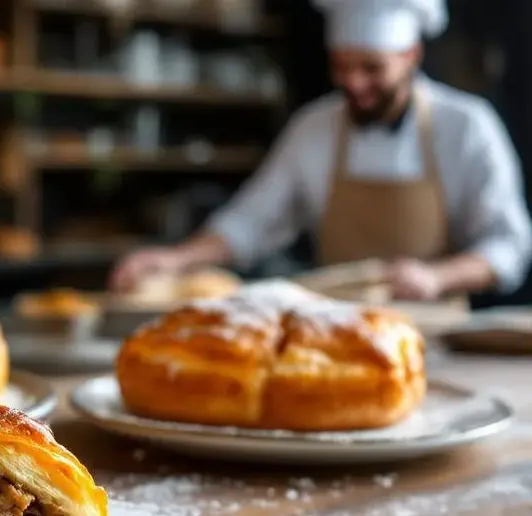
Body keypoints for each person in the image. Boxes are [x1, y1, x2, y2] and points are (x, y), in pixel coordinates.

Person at [109, 0, 532, 302]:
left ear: (411, 56)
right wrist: (176, 259)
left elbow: (508, 246)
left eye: (371, 68)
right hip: (334, 328)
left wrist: (437, 277)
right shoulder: (315, 127)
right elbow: (252, 222)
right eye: (342, 67)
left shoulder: (466, 127)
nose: (355, 85)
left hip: (438, 337)